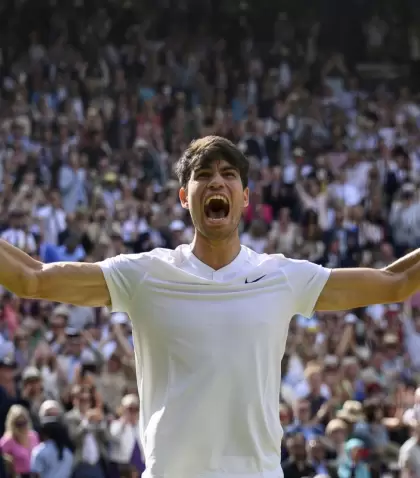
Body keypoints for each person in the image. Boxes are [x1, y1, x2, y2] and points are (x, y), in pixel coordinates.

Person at [0, 134, 420, 478]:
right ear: (185, 196)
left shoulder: (282, 275)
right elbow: (32, 278)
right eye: (204, 175)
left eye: (229, 174)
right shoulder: (144, 274)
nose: (217, 182)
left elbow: (396, 282)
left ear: (245, 197)